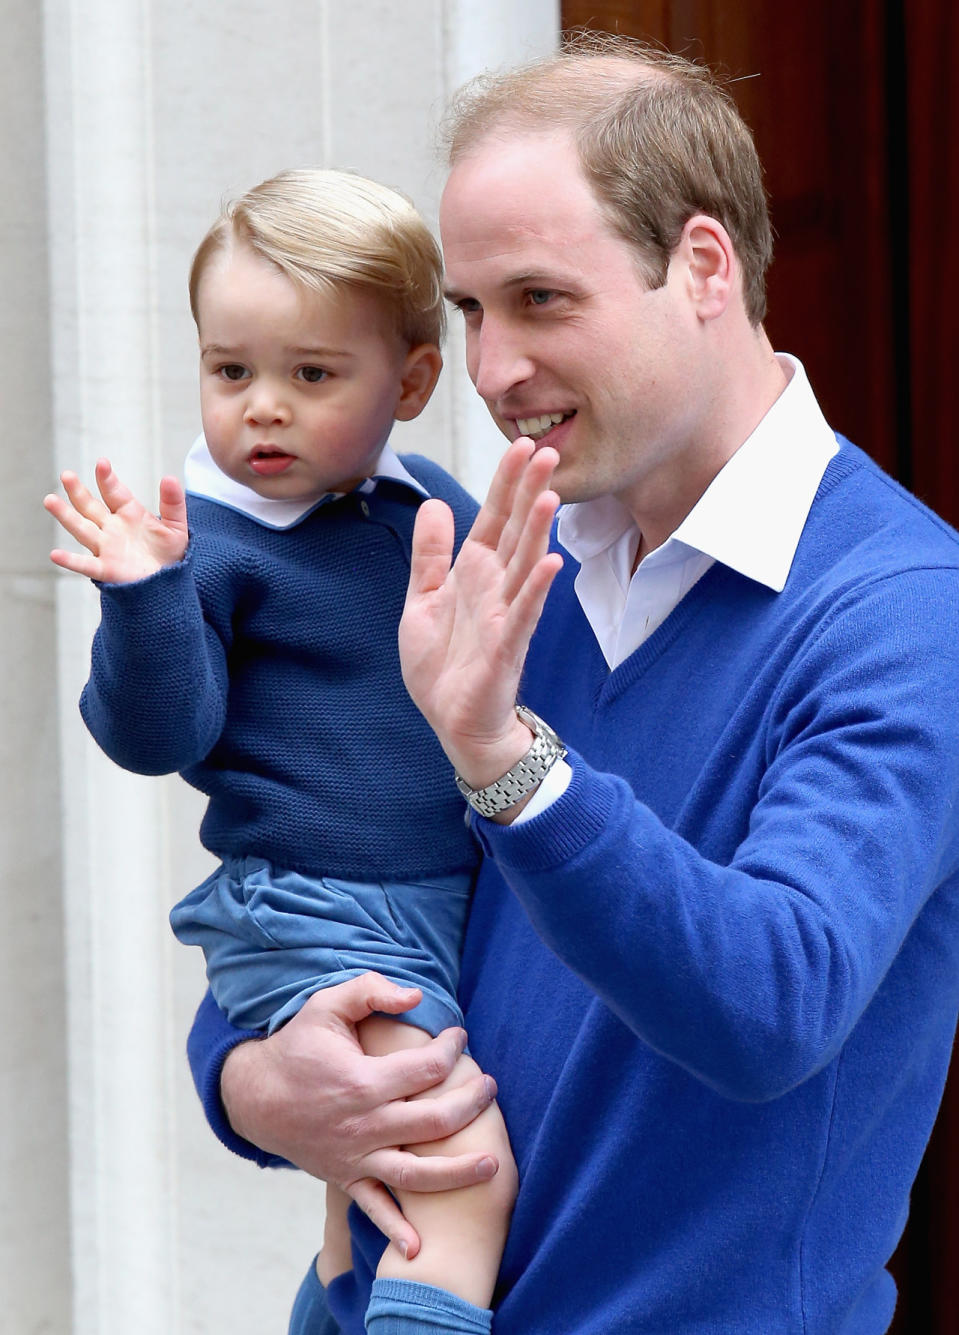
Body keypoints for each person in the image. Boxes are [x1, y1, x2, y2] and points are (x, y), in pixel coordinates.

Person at [187, 34, 959, 1335]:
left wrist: (503, 760)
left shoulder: (903, 612)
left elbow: (773, 998)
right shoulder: (503, 564)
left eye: (540, 300)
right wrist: (253, 1078)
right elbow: (322, 881)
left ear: (701, 266)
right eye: (471, 310)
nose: (489, 372)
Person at [43, 167, 518, 1334]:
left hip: (438, 899)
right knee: (451, 1172)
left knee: (363, 1217)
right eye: (230, 370)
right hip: (312, 907)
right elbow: (158, 736)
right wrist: (144, 597)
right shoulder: (204, 545)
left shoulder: (429, 509)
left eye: (311, 375)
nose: (262, 407)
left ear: (409, 382)